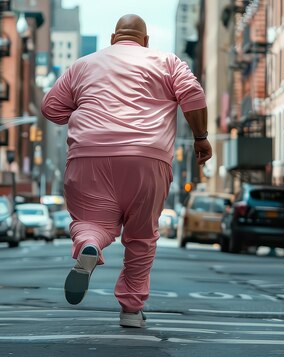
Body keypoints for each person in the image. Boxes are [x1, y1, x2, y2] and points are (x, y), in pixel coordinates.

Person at [40, 14, 212, 328]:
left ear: (113, 38)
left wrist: (84, 112)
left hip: (88, 156)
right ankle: (131, 310)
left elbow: (51, 107)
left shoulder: (82, 64)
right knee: (141, 236)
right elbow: (193, 95)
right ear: (145, 41)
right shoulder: (167, 61)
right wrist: (201, 138)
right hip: (146, 159)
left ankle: (89, 245)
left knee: (91, 222)